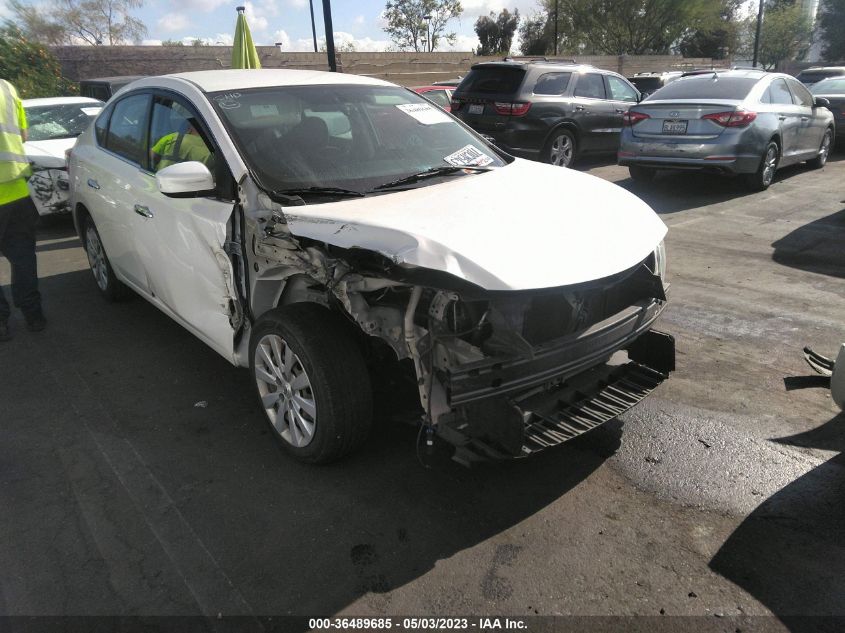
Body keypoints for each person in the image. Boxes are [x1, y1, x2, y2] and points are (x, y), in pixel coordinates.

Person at [0, 78, 44, 342]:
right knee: (23, 257)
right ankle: (33, 314)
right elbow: (23, 135)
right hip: (15, 191)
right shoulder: (6, 87)